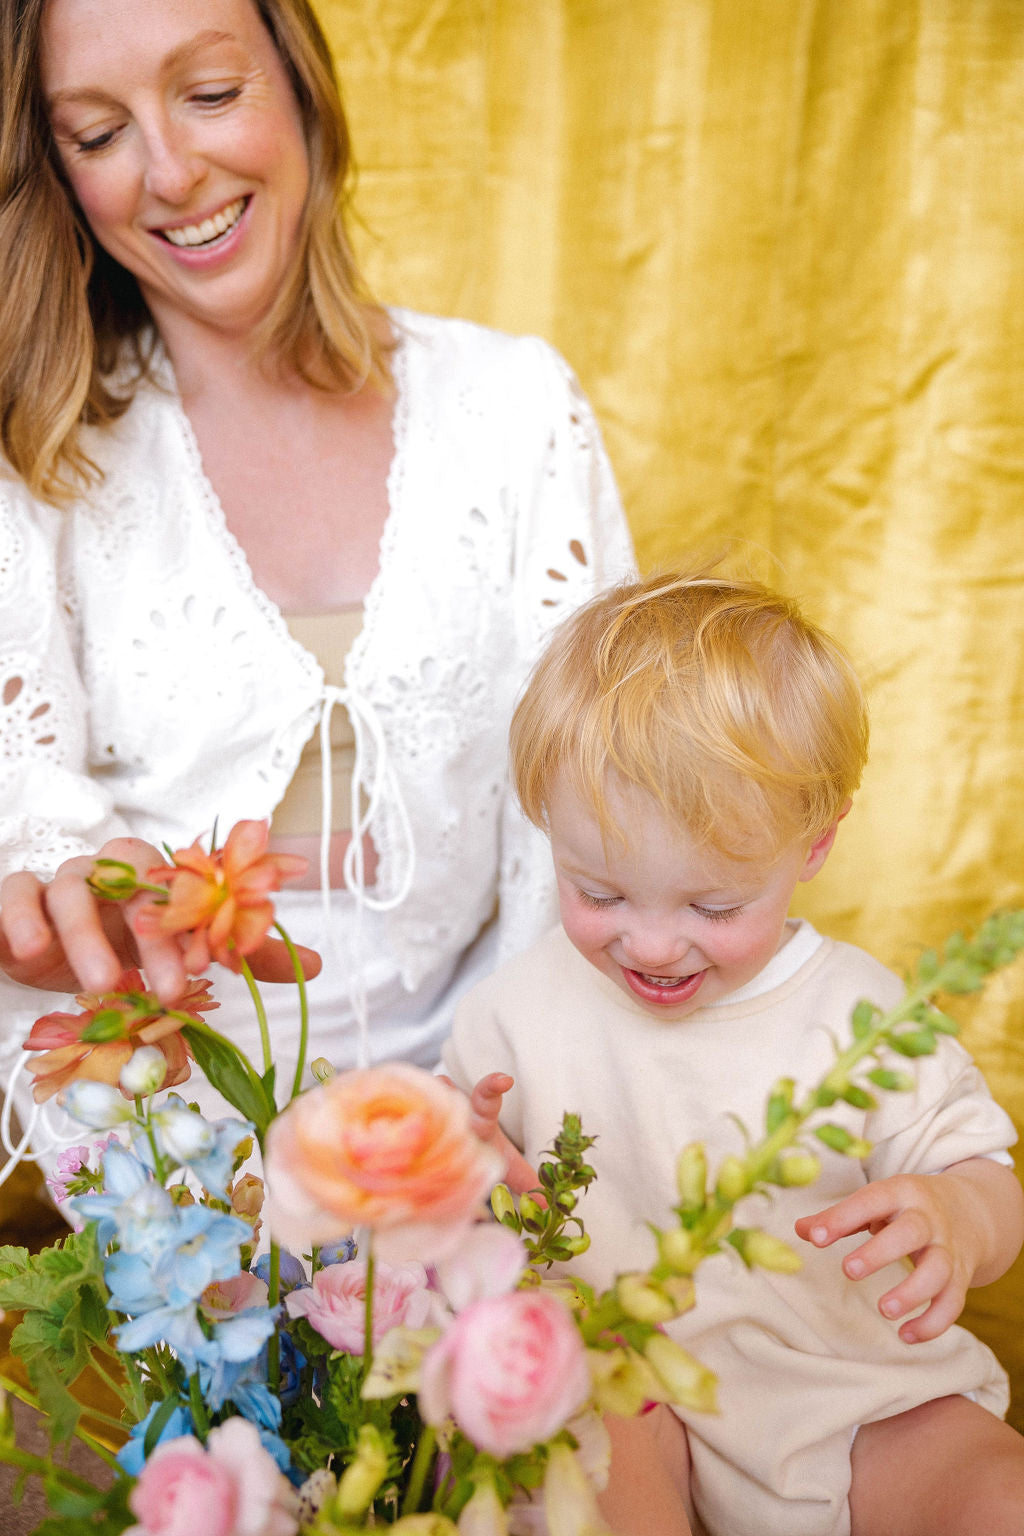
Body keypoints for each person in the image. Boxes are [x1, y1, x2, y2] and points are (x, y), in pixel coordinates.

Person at [0, 0, 633, 1153]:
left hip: (500, 1093)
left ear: (300, 86)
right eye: (98, 135)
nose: (173, 173)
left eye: (209, 94)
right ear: (55, 174)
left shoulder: (516, 409)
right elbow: (22, 796)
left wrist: (515, 1108)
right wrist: (52, 869)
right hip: (162, 1126)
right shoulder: (39, 458)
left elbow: (596, 807)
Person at [443, 572, 1024, 1536]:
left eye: (714, 908)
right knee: (586, 1461)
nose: (654, 945)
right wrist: (459, 1171)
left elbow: (988, 1178)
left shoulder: (861, 1017)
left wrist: (958, 1214)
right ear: (547, 824)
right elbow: (442, 1194)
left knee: (1000, 1498)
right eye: (600, 892)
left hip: (855, 1396)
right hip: (632, 1394)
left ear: (813, 846)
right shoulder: (512, 1016)